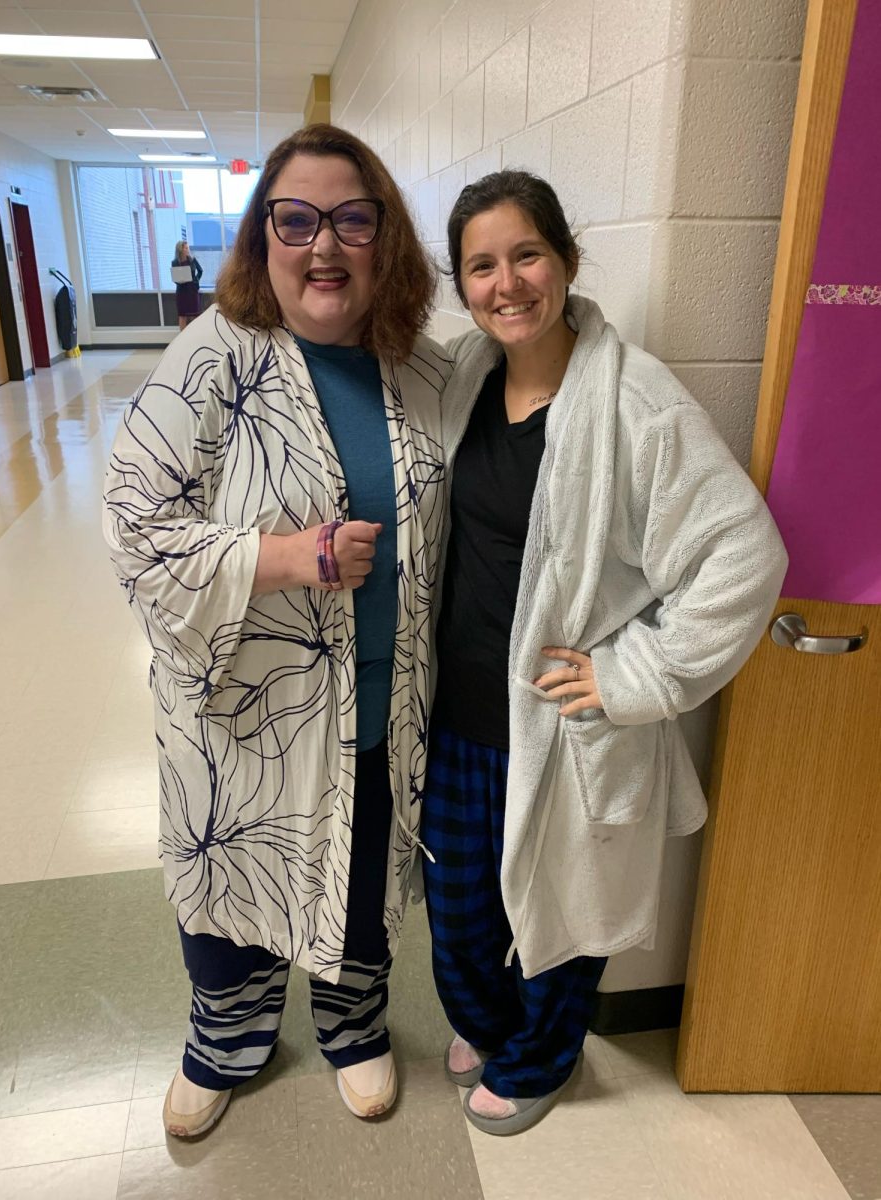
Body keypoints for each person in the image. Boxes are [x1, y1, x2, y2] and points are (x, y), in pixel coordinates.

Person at [422, 170, 788, 1136]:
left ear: (569, 259)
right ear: (461, 286)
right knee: (461, 913)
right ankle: (488, 1025)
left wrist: (636, 675)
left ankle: (541, 1060)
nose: (507, 284)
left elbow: (745, 554)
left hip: (563, 721)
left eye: (527, 255)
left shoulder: (636, 402)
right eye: (481, 266)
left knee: (562, 912)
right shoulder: (466, 376)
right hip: (459, 714)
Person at [103, 124, 450, 1138]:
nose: (324, 246)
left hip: (382, 695)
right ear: (263, 239)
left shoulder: (417, 371)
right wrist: (288, 558)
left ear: (383, 237)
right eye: (294, 220)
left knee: (359, 873)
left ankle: (354, 1027)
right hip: (247, 703)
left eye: (351, 218)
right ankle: (226, 1042)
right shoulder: (214, 355)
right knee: (236, 872)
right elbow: (135, 524)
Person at [171, 239, 203, 330]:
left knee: (194, 316)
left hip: (192, 290)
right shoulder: (175, 262)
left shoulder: (192, 260)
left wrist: (196, 280)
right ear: (180, 250)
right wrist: (179, 281)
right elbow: (174, 277)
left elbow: (200, 271)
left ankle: (195, 337)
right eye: (185, 248)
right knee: (182, 315)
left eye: (187, 248)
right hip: (181, 290)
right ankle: (183, 339)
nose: (187, 249)